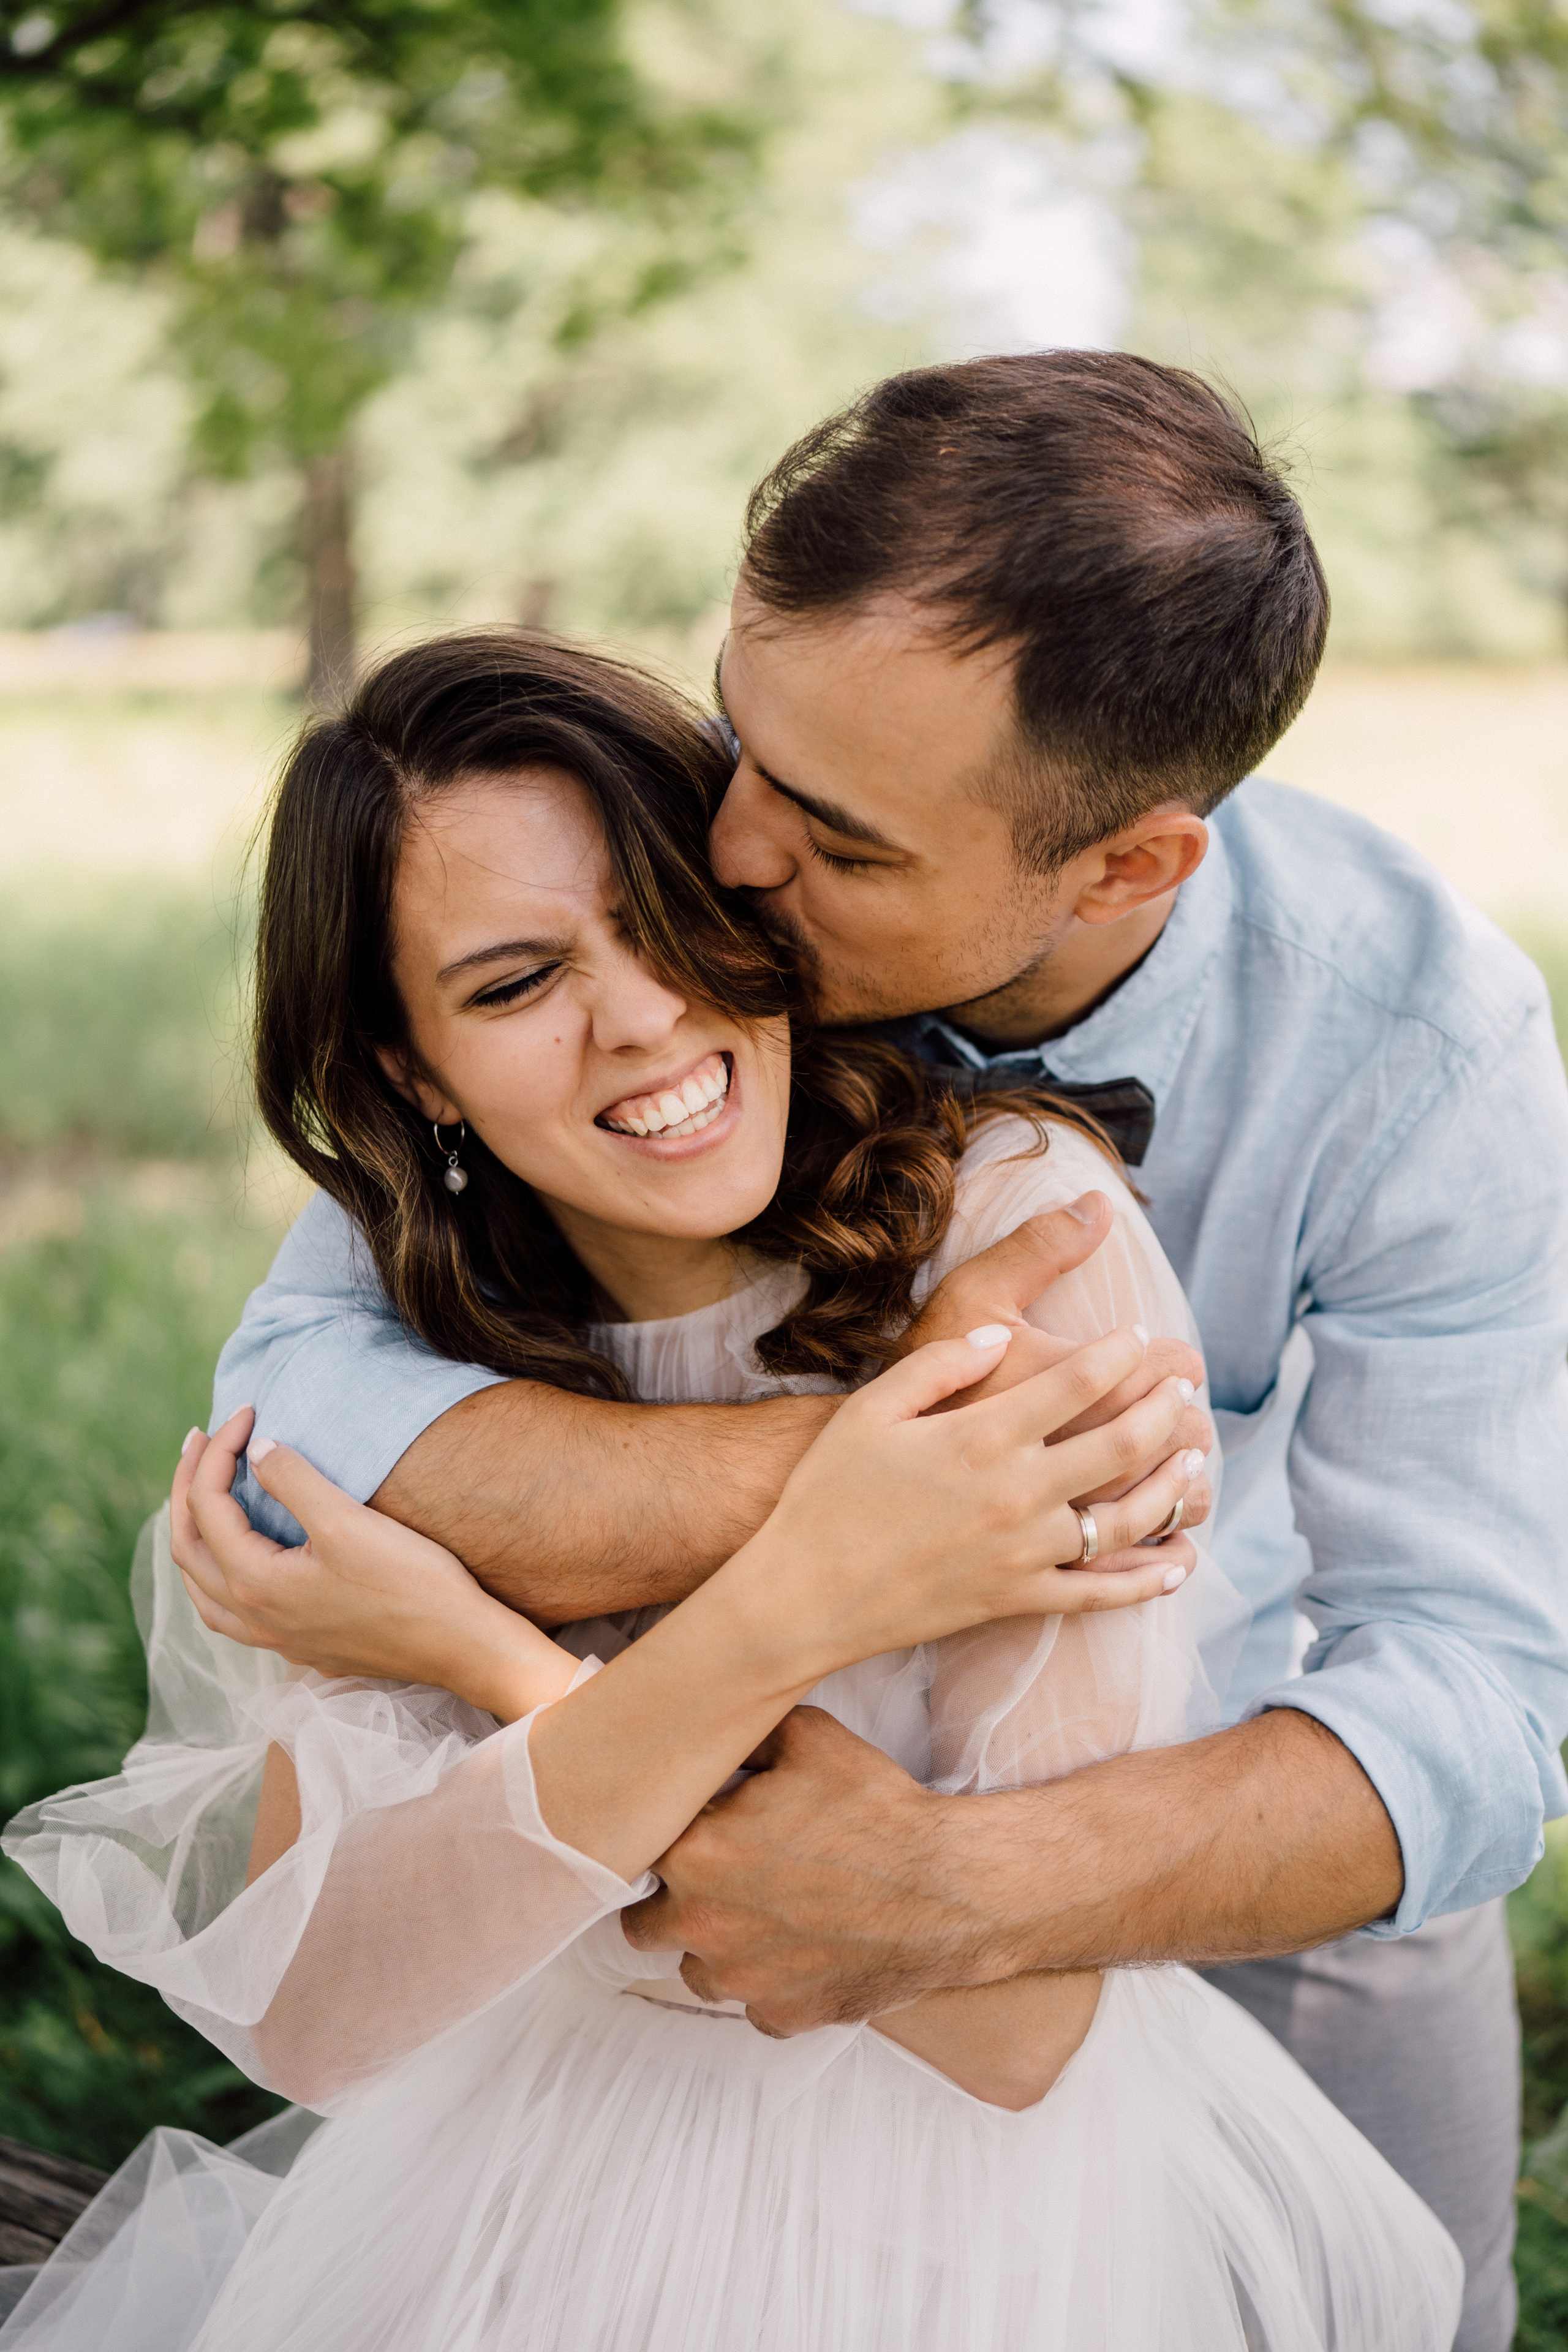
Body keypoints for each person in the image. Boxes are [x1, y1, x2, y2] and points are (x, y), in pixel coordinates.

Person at [192, 350, 1568, 2352]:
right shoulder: (663, 957)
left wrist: (955, 1886)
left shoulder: (1415, 1055)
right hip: (649, 1882)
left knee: (1394, 2299)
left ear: (1120, 871)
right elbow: (298, 1416)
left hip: (1247, 1802)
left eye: (835, 837)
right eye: (737, 738)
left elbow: (1471, 1697)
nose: (723, 854)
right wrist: (892, 1500)